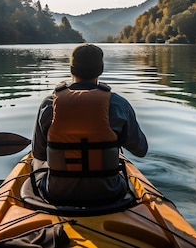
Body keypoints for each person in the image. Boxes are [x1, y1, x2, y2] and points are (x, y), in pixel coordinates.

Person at [31, 43, 148, 206]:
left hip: (56, 195)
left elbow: (39, 154)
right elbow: (141, 150)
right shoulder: (119, 104)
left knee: (35, 164)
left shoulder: (49, 104)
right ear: (100, 70)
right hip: (110, 194)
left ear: (71, 69)